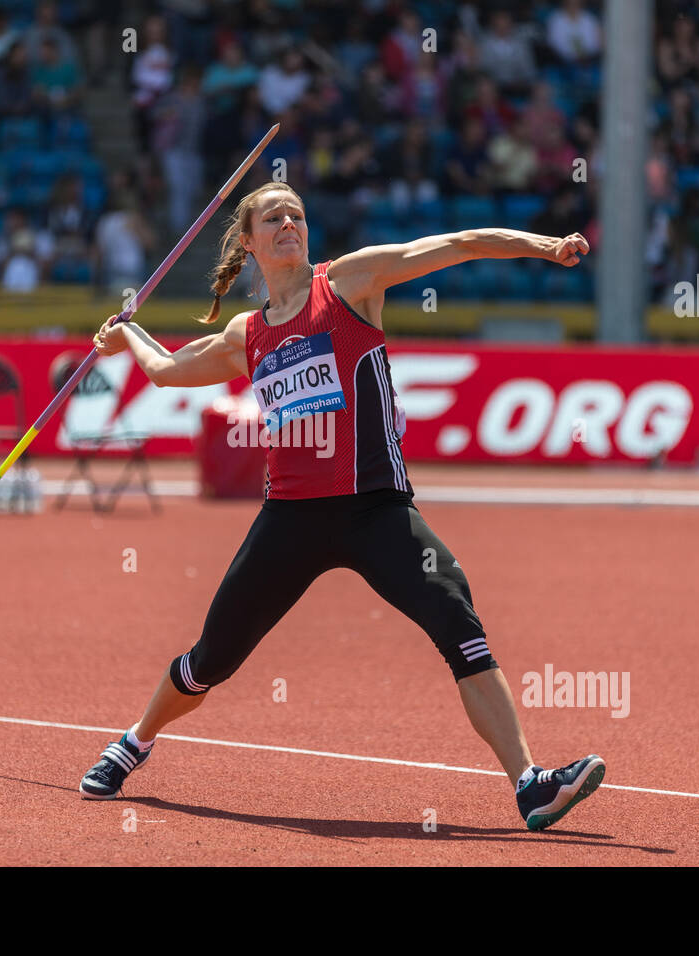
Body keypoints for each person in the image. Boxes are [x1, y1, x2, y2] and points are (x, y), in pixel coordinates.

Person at [78, 181, 605, 831]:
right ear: (249, 243)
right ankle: (134, 742)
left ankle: (529, 784)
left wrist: (545, 246)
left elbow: (461, 243)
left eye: (296, 214)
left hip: (376, 510)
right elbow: (165, 370)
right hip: (291, 520)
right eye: (272, 218)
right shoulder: (248, 335)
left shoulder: (350, 282)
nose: (288, 224)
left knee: (457, 620)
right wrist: (125, 339)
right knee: (211, 657)